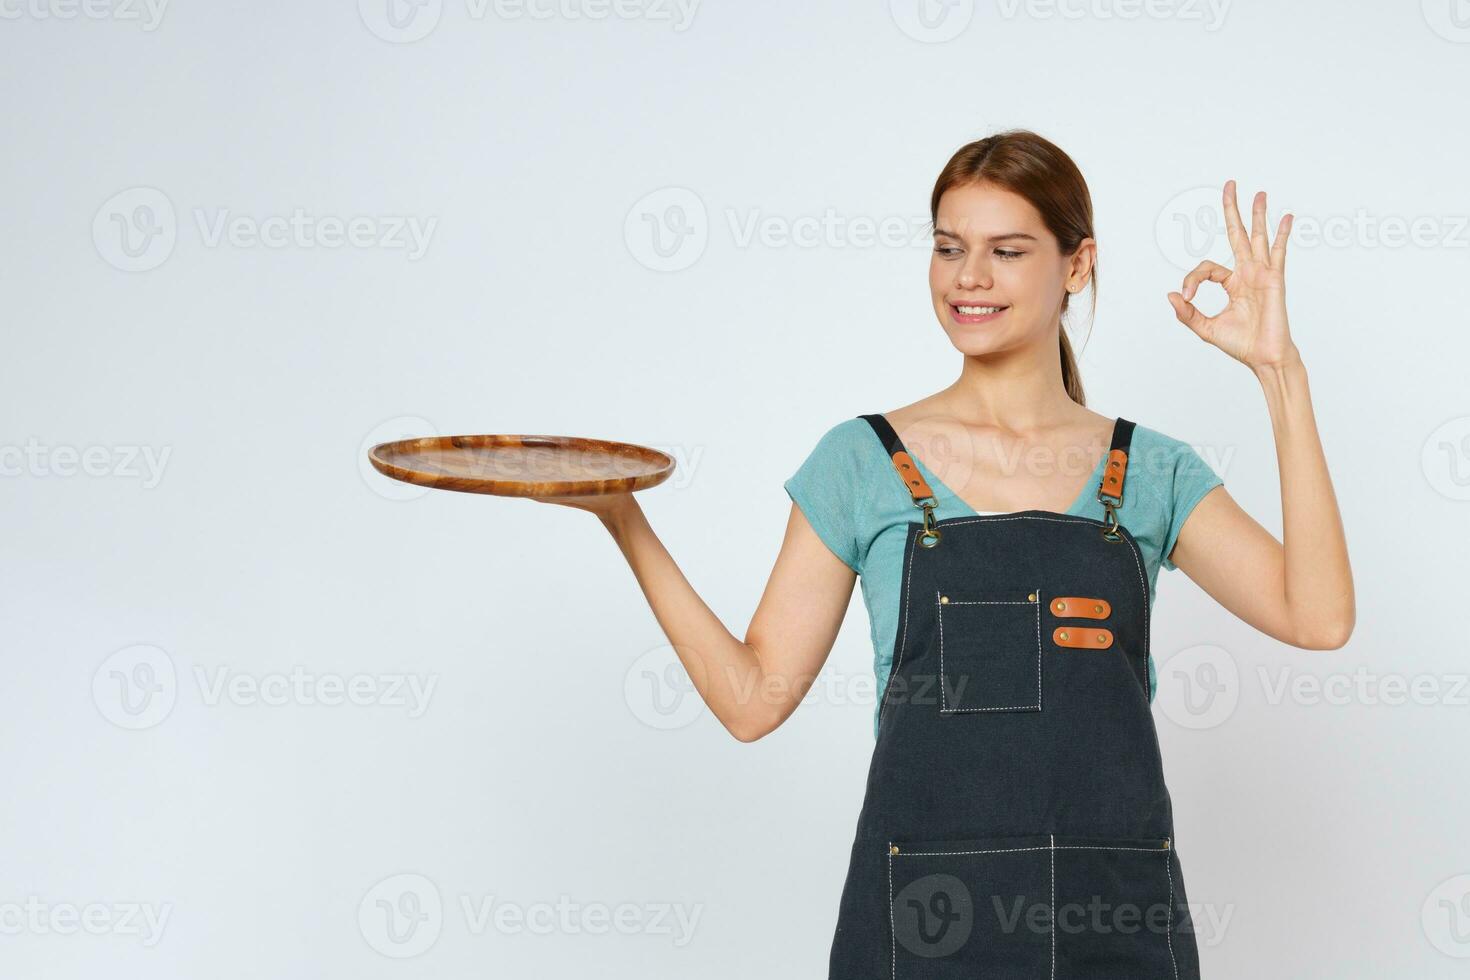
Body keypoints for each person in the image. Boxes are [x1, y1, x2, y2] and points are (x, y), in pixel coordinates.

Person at [530, 129, 1354, 976]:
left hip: (1116, 918)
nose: (970, 277)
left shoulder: (1151, 470)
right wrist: (625, 524)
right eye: (950, 248)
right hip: (924, 920)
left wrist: (1279, 373)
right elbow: (751, 701)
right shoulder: (861, 461)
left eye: (1007, 250)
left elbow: (1318, 617)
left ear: (1078, 266)